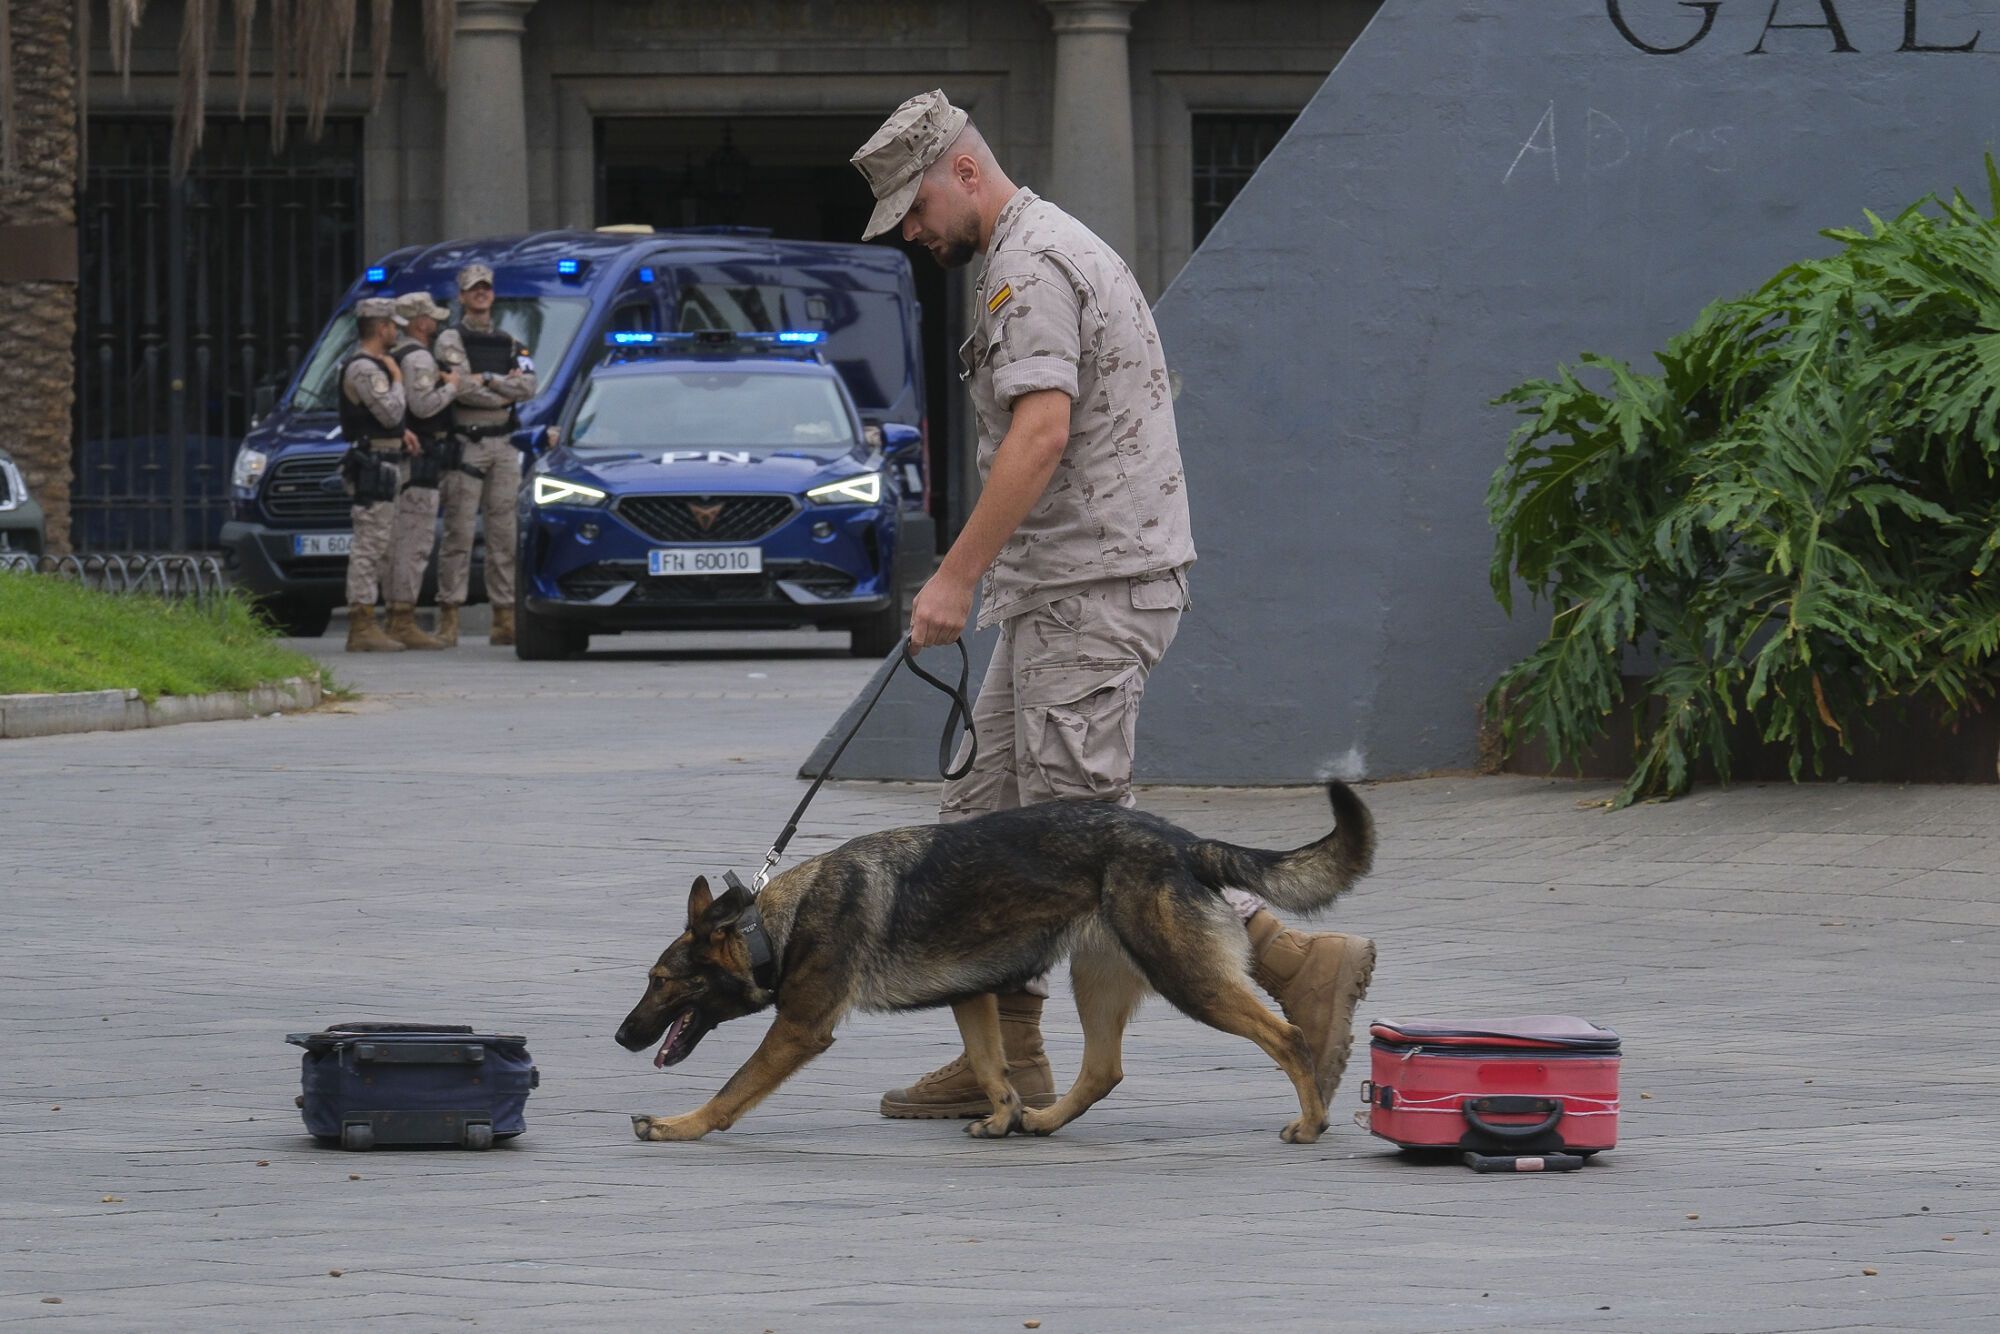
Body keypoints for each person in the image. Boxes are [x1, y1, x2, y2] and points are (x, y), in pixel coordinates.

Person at [850, 91, 1377, 1119]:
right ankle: (1003, 1055)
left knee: (1090, 844)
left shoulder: (1026, 265)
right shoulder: (1028, 250)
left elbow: (1040, 433)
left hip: (1091, 589)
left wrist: (953, 573)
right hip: (1058, 588)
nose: (912, 237)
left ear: (962, 170)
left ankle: (1292, 962)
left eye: (911, 212)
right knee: (981, 820)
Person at [433, 264, 535, 647]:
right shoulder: (449, 339)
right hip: (468, 443)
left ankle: (504, 616)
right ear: (461, 296)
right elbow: (459, 389)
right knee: (459, 532)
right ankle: (449, 617)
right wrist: (501, 388)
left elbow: (529, 386)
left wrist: (489, 379)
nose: (480, 294)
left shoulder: (510, 341)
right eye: (473, 289)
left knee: (504, 533)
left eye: (486, 288)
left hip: (504, 444)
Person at [339, 297, 425, 653]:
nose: (396, 332)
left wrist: (400, 433)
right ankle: (361, 624)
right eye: (393, 326)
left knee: (382, 543)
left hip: (385, 459)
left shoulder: (373, 365)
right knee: (369, 545)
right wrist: (397, 378)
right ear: (381, 327)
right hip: (373, 465)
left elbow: (388, 423)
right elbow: (389, 412)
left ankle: (375, 620)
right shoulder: (365, 368)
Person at [381, 291, 462, 650]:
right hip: (421, 461)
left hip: (406, 460)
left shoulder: (396, 355)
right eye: (431, 316)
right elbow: (423, 405)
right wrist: (452, 389)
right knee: (413, 540)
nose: (437, 321)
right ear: (419, 322)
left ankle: (395, 615)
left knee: (399, 540)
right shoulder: (418, 358)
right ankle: (402, 619)